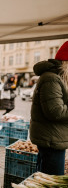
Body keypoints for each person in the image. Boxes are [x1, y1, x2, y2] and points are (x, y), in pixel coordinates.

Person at [30, 41, 68, 175]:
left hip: (54, 138)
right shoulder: (51, 78)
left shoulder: (57, 78)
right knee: (51, 182)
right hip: (51, 140)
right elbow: (55, 111)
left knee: (44, 178)